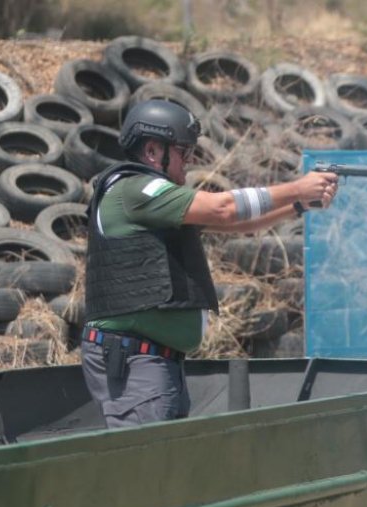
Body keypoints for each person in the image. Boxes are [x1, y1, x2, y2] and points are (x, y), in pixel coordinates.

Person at [81, 99, 339, 429]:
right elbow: (224, 208)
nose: (188, 163)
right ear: (151, 151)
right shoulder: (139, 188)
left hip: (150, 360)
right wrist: (296, 188)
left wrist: (300, 205)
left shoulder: (152, 199)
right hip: (137, 361)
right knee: (146, 470)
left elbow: (239, 225)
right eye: (182, 153)